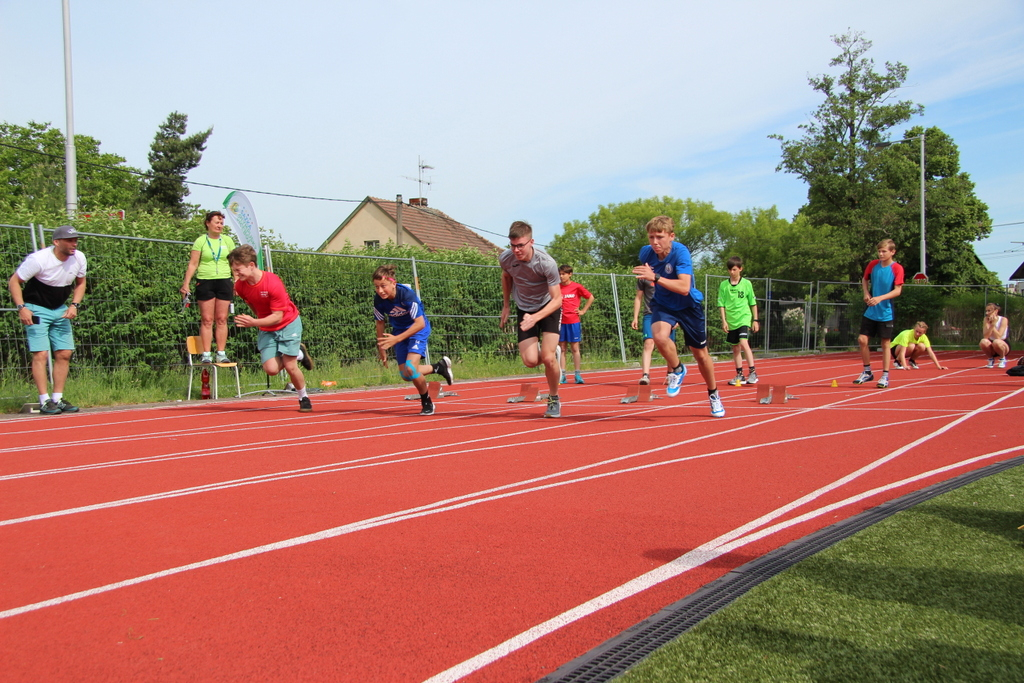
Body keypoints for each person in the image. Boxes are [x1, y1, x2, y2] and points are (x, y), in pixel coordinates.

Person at [631, 215, 724, 418]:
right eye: (651, 237)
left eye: (660, 237)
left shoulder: (681, 253)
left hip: (688, 305)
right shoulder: (646, 253)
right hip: (663, 304)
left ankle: (714, 394)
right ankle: (678, 369)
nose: (655, 242)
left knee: (701, 355)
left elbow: (684, 287)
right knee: (658, 336)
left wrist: (656, 277)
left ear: (671, 236)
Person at [7, 225, 87, 415]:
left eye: (75, 240)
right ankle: (44, 401)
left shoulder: (79, 258)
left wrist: (74, 305)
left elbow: (81, 282)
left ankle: (57, 399)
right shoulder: (38, 259)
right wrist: (22, 308)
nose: (74, 244)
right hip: (36, 308)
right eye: (69, 240)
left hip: (60, 309)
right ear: (56, 242)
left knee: (65, 353)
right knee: (41, 354)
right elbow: (14, 281)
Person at [228, 245, 314, 412]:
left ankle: (303, 397)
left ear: (251, 265)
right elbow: (253, 304)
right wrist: (258, 320)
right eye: (234, 270)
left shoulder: (273, 283)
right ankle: (300, 353)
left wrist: (254, 322)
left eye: (238, 270)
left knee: (290, 366)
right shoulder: (240, 286)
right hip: (267, 327)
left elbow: (278, 317)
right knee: (271, 369)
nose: (236, 274)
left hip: (288, 323)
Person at [499, 221, 563, 418]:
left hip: (548, 307)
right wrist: (506, 305)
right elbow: (506, 276)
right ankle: (551, 354)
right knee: (530, 361)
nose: (516, 250)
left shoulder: (546, 263)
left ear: (531, 242)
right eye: (513, 246)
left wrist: (535, 317)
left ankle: (553, 398)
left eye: (521, 245)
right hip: (524, 308)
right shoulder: (506, 258)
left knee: (548, 358)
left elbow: (558, 300)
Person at [372, 264, 454, 416]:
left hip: (417, 330)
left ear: (393, 283)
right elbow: (380, 323)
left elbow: (420, 323)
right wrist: (381, 347)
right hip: (399, 332)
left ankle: (427, 402)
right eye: (377, 287)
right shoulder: (378, 300)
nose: (380, 291)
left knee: (410, 367)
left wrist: (396, 339)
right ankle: (438, 367)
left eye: (383, 286)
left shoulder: (406, 295)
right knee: (406, 375)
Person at [180, 210, 236, 364]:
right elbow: (193, 264)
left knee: (222, 319)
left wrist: (237, 280)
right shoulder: (201, 241)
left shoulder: (227, 241)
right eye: (217, 222)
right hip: (205, 281)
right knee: (207, 319)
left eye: (222, 223)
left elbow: (234, 263)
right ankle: (206, 354)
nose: (220, 225)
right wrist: (186, 283)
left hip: (224, 280)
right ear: (208, 223)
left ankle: (221, 353)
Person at [853, 239, 904, 388]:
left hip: (886, 312)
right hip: (871, 310)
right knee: (862, 339)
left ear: (892, 252)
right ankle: (867, 371)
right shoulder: (873, 265)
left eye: (884, 251)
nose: (881, 254)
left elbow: (898, 290)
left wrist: (880, 298)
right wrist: (866, 292)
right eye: (879, 251)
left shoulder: (897, 268)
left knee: (885, 343)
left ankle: (885, 375)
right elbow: (865, 279)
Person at [717, 256, 760, 385]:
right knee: (735, 348)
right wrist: (724, 321)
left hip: (744, 318)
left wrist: (755, 320)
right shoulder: (724, 285)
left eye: (734, 269)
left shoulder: (746, 284)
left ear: (740, 269)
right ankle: (740, 375)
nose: (732, 272)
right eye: (730, 270)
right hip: (731, 320)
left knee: (743, 342)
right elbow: (721, 304)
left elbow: (753, 303)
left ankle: (752, 372)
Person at [631, 277, 677, 385]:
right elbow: (638, 297)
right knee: (648, 342)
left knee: (669, 345)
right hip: (650, 314)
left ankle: (670, 373)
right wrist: (635, 317)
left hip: (667, 314)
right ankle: (645, 375)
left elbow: (677, 296)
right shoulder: (643, 277)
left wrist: (677, 317)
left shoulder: (668, 273)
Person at [557, 264, 593, 384]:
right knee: (562, 348)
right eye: (560, 274)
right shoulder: (557, 287)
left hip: (573, 321)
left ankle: (577, 374)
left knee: (575, 348)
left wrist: (583, 310)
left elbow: (590, 297)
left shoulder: (576, 287)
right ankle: (562, 374)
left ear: (570, 274)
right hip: (561, 322)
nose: (561, 276)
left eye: (563, 274)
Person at [980, 302, 1010, 368]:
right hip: (991, 344)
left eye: (989, 311)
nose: (987, 313)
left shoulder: (1003, 319)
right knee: (983, 341)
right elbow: (986, 336)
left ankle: (1002, 359)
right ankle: (990, 359)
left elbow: (998, 337)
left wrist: (993, 324)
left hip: (1002, 344)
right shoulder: (986, 319)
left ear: (996, 311)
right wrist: (990, 324)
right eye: (986, 311)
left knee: (997, 342)